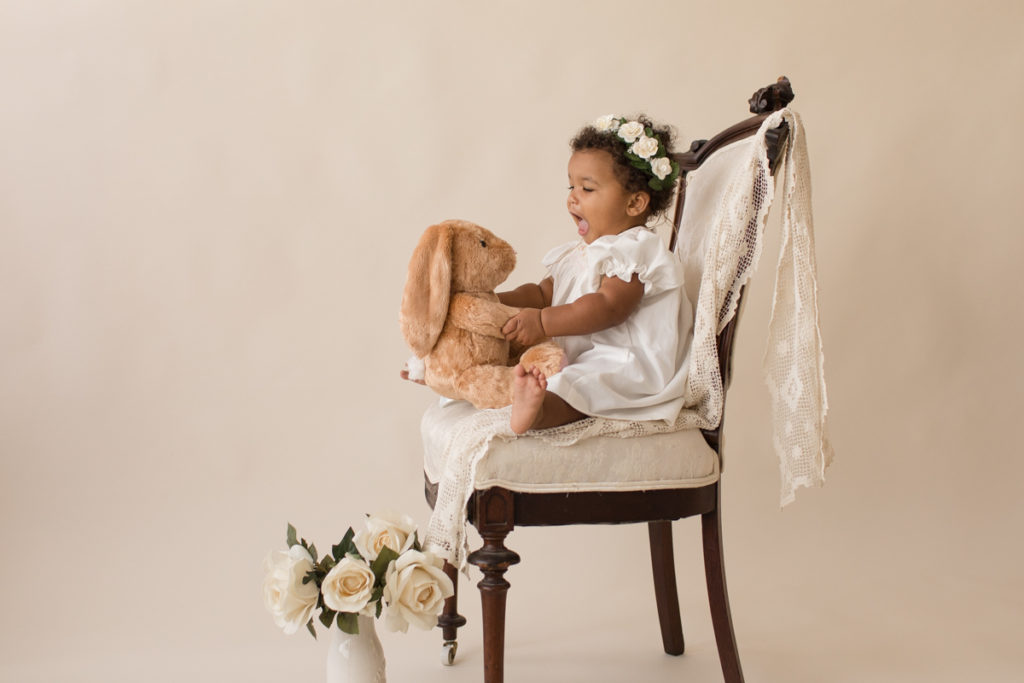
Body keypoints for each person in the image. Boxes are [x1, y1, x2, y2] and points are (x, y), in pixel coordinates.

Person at [499, 114, 692, 435]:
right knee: (540, 368)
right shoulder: (584, 250)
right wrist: (497, 303)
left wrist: (543, 322)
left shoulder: (635, 251)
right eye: (571, 185)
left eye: (587, 188)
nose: (573, 197)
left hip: (627, 363)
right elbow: (542, 292)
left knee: (581, 383)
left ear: (635, 203)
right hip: (589, 355)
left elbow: (609, 307)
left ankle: (540, 410)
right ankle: (518, 393)